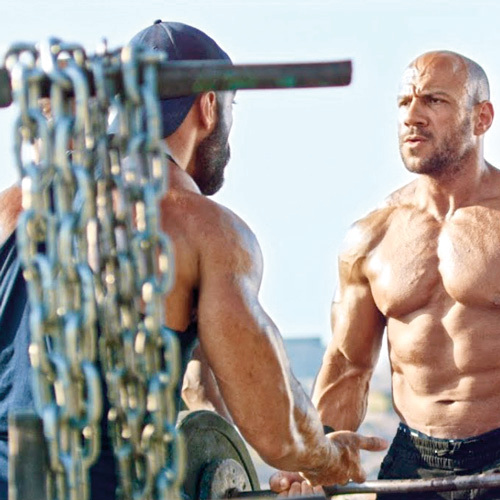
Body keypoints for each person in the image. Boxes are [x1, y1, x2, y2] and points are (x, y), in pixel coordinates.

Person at [0, 20, 386, 500]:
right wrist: (328, 457)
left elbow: (204, 382)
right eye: (230, 107)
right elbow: (276, 427)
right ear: (208, 107)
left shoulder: (12, 207)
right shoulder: (209, 232)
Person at [272, 50, 500, 500]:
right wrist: (316, 457)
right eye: (404, 102)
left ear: (482, 118)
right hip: (413, 462)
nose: (412, 116)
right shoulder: (372, 237)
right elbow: (348, 364)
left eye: (434, 101)